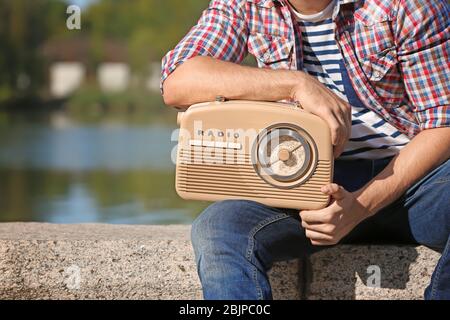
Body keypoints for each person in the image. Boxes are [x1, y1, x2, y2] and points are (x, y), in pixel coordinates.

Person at [160, 0, 450, 300]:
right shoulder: (246, 5)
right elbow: (179, 81)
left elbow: (444, 123)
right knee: (218, 229)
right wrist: (296, 84)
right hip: (301, 188)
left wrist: (360, 206)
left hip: (416, 184)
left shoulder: (405, 5)